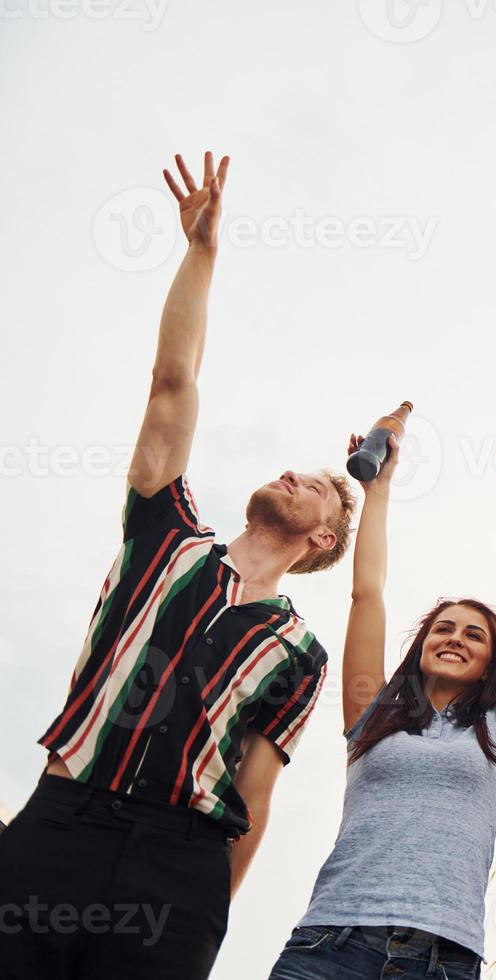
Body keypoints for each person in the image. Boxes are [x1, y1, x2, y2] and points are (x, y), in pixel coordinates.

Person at [0, 153, 354, 980]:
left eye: (316, 488)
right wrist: (202, 254)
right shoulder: (167, 534)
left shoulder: (300, 651)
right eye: (290, 467)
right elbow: (171, 382)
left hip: (181, 864)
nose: (293, 473)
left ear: (325, 541)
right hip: (61, 825)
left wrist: (202, 916)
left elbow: (256, 799)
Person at [267, 430, 496, 979]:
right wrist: (379, 490)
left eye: (474, 635)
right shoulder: (373, 716)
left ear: (494, 661)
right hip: (329, 941)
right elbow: (366, 593)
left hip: (441, 955)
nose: (456, 638)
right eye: (444, 628)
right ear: (420, 647)